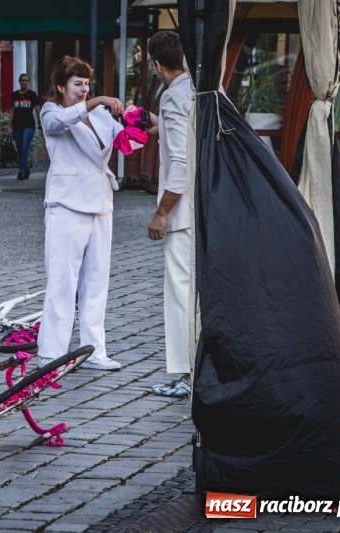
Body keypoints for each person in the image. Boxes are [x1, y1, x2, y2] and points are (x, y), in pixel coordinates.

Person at [36, 56, 128, 372]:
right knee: (62, 280)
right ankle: (51, 353)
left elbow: (125, 137)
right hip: (66, 203)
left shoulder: (100, 114)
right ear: (61, 87)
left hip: (101, 201)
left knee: (96, 280)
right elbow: (54, 125)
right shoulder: (51, 110)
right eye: (77, 83)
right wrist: (97, 101)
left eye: (87, 84)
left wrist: (144, 120)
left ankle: (94, 351)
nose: (84, 89)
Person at [146, 31, 194, 398]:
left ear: (157, 64)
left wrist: (162, 213)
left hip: (183, 212)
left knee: (180, 293)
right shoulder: (197, 88)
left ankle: (186, 372)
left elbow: (179, 162)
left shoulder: (174, 96)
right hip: (202, 206)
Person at [8, 73, 41, 181]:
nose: (24, 82)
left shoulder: (32, 95)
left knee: (24, 146)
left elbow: (37, 109)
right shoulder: (15, 95)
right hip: (17, 125)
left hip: (29, 125)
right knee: (20, 149)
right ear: (19, 81)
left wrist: (41, 123)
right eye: (23, 80)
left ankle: (21, 171)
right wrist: (9, 127)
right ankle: (26, 169)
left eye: (26, 81)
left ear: (29, 82)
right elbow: (12, 111)